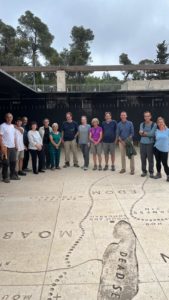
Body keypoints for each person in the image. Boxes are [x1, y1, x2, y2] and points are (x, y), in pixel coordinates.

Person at [0, 113, 20, 183]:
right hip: (5, 147)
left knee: (13, 162)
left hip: (12, 147)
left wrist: (15, 145)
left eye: (10, 117)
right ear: (5, 118)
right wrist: (2, 147)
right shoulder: (2, 126)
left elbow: (14, 137)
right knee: (6, 162)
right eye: (8, 117)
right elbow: (0, 137)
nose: (9, 118)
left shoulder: (13, 126)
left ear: (12, 118)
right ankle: (5, 177)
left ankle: (12, 175)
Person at [139, 111, 157, 178]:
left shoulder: (154, 124)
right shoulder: (142, 124)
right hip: (142, 143)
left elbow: (152, 134)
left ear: (150, 116)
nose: (147, 117)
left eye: (148, 116)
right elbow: (140, 133)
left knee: (150, 159)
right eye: (145, 116)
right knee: (143, 158)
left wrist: (144, 133)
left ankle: (151, 172)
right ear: (144, 117)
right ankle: (144, 171)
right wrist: (147, 133)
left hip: (150, 144)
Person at [153, 117, 169, 181]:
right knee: (158, 162)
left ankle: (168, 175)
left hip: (165, 149)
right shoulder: (156, 131)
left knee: (165, 163)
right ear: (157, 123)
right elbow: (155, 139)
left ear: (164, 122)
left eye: (161, 122)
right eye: (159, 122)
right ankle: (159, 174)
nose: (160, 123)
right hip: (156, 148)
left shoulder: (168, 130)